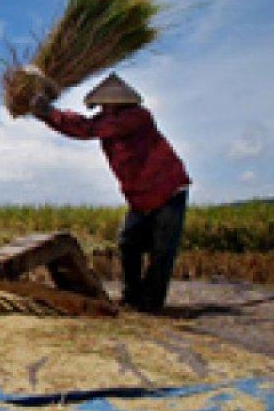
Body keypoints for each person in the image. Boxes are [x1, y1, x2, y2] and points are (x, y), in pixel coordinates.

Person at [29, 72, 190, 313]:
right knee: (128, 243)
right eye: (100, 106)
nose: (101, 109)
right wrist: (48, 116)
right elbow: (83, 128)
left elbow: (85, 128)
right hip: (140, 198)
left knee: (162, 251)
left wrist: (49, 113)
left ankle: (151, 305)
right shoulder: (108, 124)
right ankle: (132, 297)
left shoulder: (137, 117)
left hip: (167, 191)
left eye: (105, 105)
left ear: (118, 103)